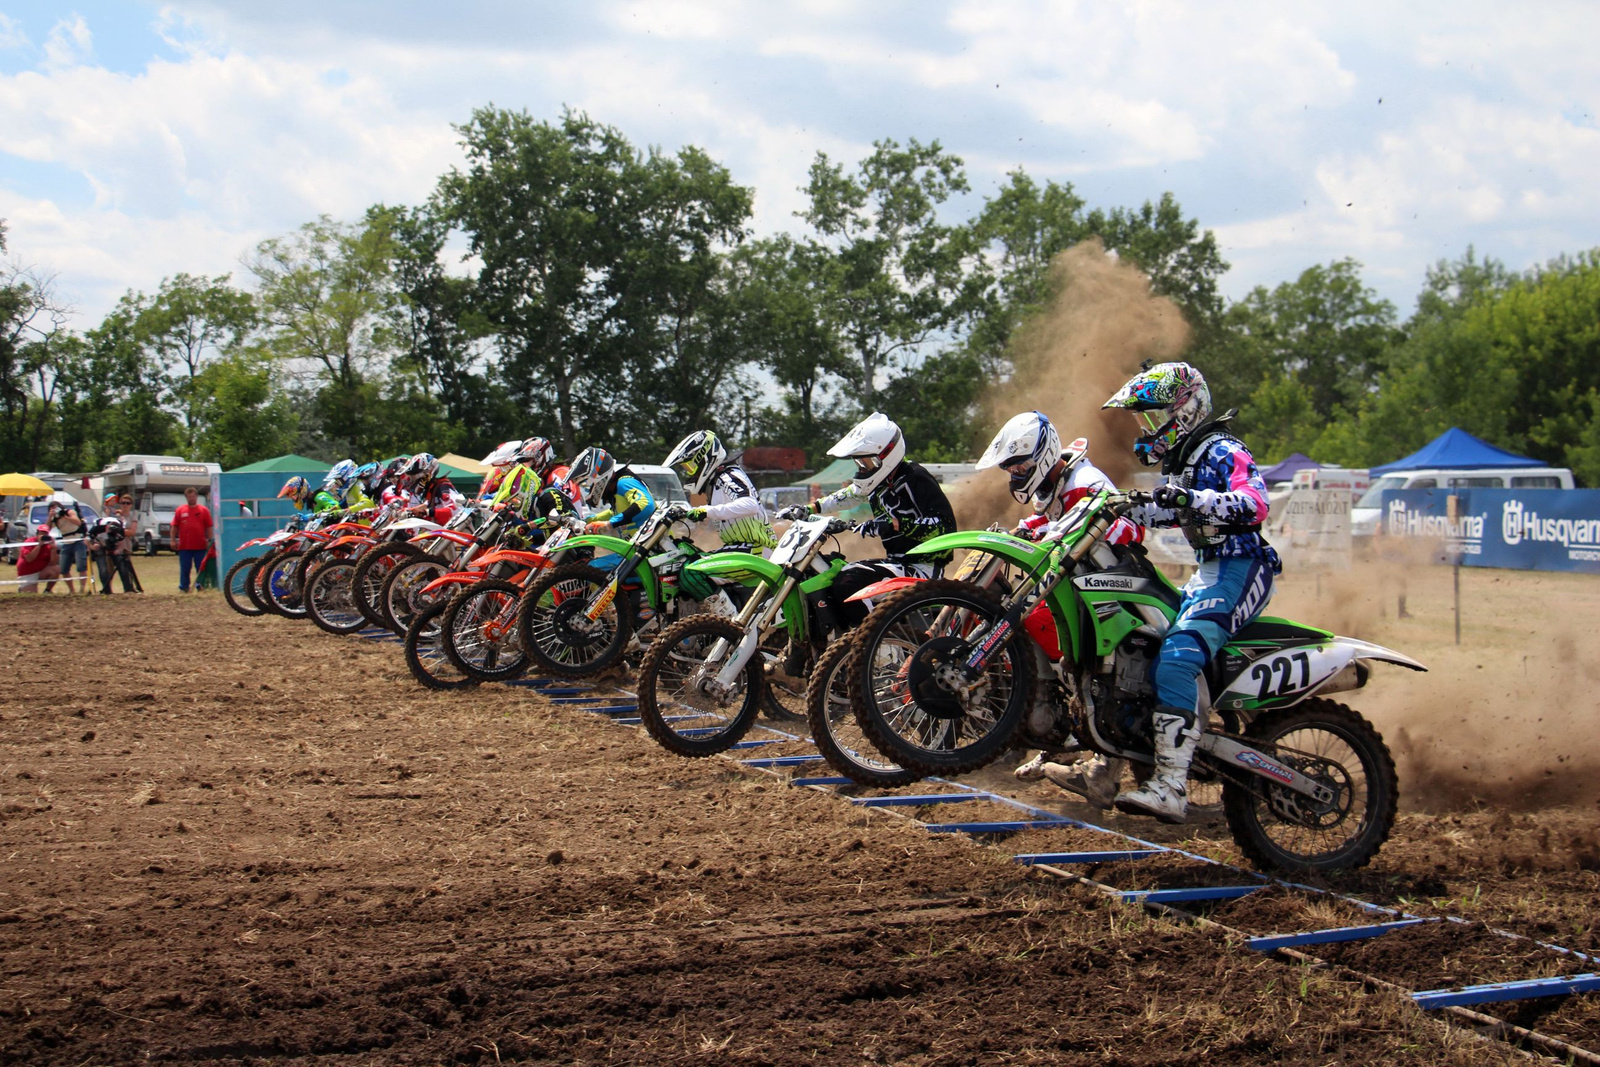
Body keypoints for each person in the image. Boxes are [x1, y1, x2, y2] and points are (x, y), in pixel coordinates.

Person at [1098, 361, 1281, 823]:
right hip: (1209, 570)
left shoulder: (1222, 449)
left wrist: (1190, 499)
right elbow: (1166, 514)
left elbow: (1256, 503)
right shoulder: (1187, 458)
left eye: (1155, 416)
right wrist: (1119, 509)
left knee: (1178, 656)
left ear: (1185, 409)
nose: (1149, 428)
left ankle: (1172, 788)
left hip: (1240, 566)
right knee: (1144, 639)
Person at [975, 411, 1143, 797]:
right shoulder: (1052, 485)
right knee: (1036, 631)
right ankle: (1063, 738)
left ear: (1044, 453)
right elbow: (1050, 522)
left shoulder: (1085, 481)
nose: (1016, 472)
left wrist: (1074, 526)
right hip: (1077, 582)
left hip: (1114, 583)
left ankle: (1102, 764)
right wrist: (1023, 531)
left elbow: (1129, 526)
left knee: (1097, 670)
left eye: (1021, 464)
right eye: (1010, 467)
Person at [794, 412, 956, 631]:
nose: (862, 468)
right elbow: (849, 495)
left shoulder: (915, 478)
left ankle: (878, 651)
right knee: (830, 578)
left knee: (848, 583)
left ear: (886, 454)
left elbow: (944, 527)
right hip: (898, 564)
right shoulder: (879, 481)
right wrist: (809, 508)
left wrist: (896, 524)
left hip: (922, 569)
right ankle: (841, 645)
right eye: (859, 462)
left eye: (866, 461)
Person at [664, 429, 778, 552]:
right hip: (744, 549)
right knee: (693, 557)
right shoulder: (717, 481)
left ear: (704, 459)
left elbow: (750, 505)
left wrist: (706, 511)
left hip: (758, 550)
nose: (690, 473)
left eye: (690, 467)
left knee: (693, 570)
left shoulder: (728, 476)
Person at [172, 486, 215, 593]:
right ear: (186, 497)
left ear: (196, 496)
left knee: (201, 567)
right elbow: (174, 526)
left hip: (200, 546)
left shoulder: (204, 510)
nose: (191, 499)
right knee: (185, 568)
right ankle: (184, 587)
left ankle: (200, 585)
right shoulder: (180, 510)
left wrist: (210, 541)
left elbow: (209, 526)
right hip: (185, 546)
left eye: (193, 496)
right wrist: (173, 539)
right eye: (189, 497)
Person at [46, 496, 90, 593]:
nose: (55, 511)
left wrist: (64, 516)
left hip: (78, 540)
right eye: (52, 509)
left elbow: (78, 522)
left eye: (56, 508)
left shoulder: (69, 512)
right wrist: (50, 517)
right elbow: (46, 529)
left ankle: (82, 589)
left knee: (81, 566)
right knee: (64, 568)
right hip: (66, 542)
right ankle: (72, 590)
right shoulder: (55, 520)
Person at [15, 524, 59, 594]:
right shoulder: (29, 542)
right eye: (42, 533)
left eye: (45, 534)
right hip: (27, 573)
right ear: (37, 534)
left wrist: (53, 549)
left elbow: (53, 563)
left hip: (40, 572)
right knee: (31, 596)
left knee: (56, 569)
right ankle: (22, 588)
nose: (43, 535)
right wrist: (39, 545)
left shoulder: (48, 545)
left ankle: (47, 590)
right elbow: (29, 559)